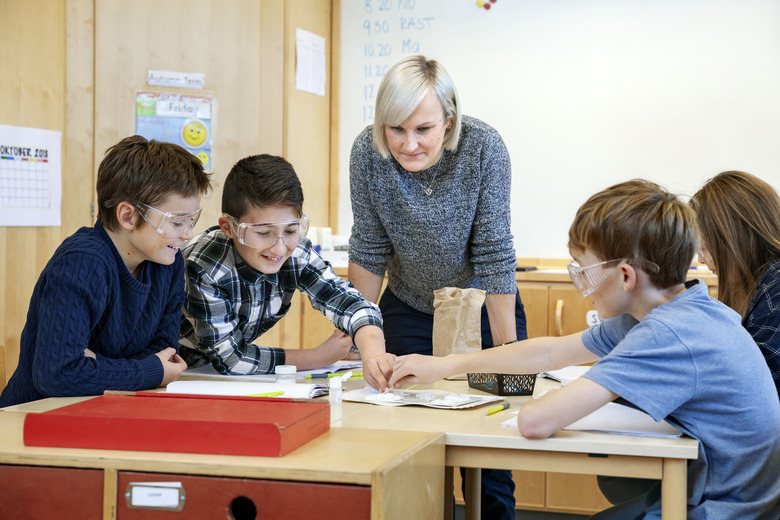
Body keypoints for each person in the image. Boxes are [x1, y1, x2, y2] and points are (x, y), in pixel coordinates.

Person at [389, 179, 780, 519]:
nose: (578, 279)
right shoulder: (683, 307)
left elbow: (535, 422)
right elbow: (549, 353)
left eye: (582, 268)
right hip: (725, 492)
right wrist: (443, 366)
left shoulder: (667, 334)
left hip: (723, 508)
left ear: (625, 275)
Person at [348, 55, 525, 519]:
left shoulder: (484, 147)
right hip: (408, 302)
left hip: (483, 301)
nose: (408, 145)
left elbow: (494, 248)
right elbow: (368, 247)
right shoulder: (367, 152)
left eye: (423, 129)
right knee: (408, 435)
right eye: (396, 129)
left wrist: (508, 351)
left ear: (449, 120)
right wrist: (359, 337)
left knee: (489, 448)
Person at [0, 135, 212, 408]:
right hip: (34, 416)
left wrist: (97, 365)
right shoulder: (81, 262)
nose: (188, 234)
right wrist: (148, 371)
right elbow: (57, 375)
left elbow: (165, 355)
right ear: (128, 216)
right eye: (178, 222)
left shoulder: (168, 263)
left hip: (107, 411)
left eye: (191, 220)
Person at [179, 154, 395, 391]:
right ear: (229, 228)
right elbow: (233, 359)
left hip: (213, 374)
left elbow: (349, 303)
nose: (279, 248)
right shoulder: (205, 267)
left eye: (291, 230)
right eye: (263, 233)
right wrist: (318, 357)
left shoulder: (295, 252)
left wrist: (373, 354)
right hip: (176, 368)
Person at [690, 170, 780, 398]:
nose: (701, 259)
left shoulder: (776, 290)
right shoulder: (763, 284)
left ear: (735, 237)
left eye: (706, 247)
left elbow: (753, 389)